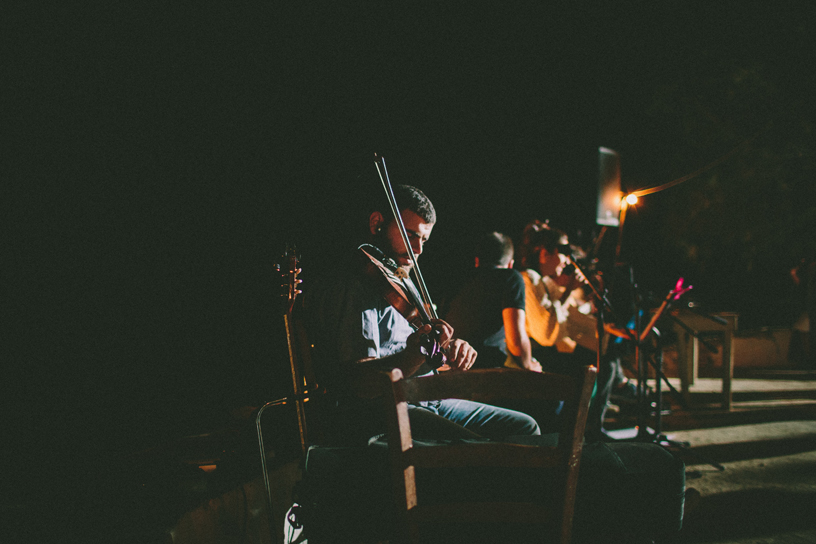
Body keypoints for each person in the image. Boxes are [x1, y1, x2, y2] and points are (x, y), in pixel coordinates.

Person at [305, 185, 540, 446]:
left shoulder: (401, 278)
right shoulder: (353, 286)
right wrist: (410, 358)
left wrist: (450, 351)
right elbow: (360, 385)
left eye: (424, 240)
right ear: (377, 224)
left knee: (524, 427)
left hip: (429, 398)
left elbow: (432, 358)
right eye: (410, 236)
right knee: (480, 447)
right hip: (386, 409)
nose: (418, 250)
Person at [444, 232, 542, 372]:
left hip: (452, 367)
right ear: (510, 264)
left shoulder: (457, 279)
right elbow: (516, 341)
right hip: (488, 371)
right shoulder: (511, 277)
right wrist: (530, 366)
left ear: (477, 260)